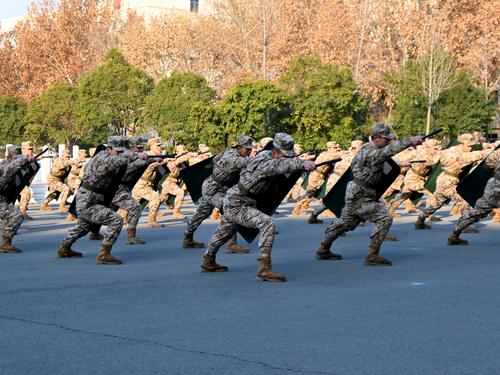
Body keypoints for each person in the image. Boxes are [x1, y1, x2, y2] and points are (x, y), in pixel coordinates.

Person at [200, 133, 316, 282]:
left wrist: (297, 161)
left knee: (223, 232)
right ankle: (264, 268)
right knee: (267, 223)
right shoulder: (266, 163)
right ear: (276, 151)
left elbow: (281, 164)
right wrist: (302, 164)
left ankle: (208, 261)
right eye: (284, 154)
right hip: (238, 202)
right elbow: (278, 166)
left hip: (234, 199)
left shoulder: (265, 154)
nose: (286, 157)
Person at [314, 123, 422, 266]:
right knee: (385, 217)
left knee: (345, 223)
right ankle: (372, 255)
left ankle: (323, 249)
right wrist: (410, 141)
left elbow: (382, 159)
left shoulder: (367, 148)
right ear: (376, 138)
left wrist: (400, 163)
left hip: (358, 191)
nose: (388, 141)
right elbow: (389, 151)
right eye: (386, 139)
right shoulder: (372, 152)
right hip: (361, 193)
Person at [56, 137, 147, 265]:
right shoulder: (102, 158)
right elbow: (121, 160)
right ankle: (104, 254)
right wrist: (137, 155)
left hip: (93, 198)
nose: (120, 154)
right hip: (88, 200)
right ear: (109, 149)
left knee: (83, 227)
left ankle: (64, 248)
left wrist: (144, 158)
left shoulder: (112, 157)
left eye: (122, 151)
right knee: (116, 220)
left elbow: (125, 163)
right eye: (118, 151)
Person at [183, 135, 254, 253]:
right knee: (232, 209)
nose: (249, 152)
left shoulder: (228, 151)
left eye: (250, 149)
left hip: (215, 186)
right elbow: (248, 162)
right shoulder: (232, 157)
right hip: (213, 189)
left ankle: (187, 238)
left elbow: (215, 160)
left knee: (201, 213)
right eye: (247, 149)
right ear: (239, 147)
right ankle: (232, 244)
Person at [414, 134, 489, 230]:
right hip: (449, 182)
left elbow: (435, 157)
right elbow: (480, 154)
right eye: (469, 146)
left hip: (442, 179)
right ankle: (465, 225)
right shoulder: (461, 156)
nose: (471, 148)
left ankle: (420, 221)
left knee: (436, 203)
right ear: (462, 144)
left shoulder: (451, 149)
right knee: (464, 201)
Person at [447, 147, 499, 245]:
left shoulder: (497, 153)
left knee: (478, 212)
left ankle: (454, 235)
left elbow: (488, 164)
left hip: (493, 187)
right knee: (479, 211)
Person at [0, 146, 36, 253]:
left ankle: (5, 241)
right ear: (10, 157)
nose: (18, 160)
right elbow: (14, 165)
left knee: (8, 216)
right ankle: (5, 244)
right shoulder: (6, 166)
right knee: (17, 215)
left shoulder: (9, 164)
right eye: (16, 158)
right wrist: (26, 159)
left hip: (3, 199)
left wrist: (31, 161)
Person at [292, 141, 342, 215]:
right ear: (329, 148)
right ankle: (296, 210)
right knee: (310, 193)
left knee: (317, 193)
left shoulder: (325, 154)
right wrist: (346, 152)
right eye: (335, 148)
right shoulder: (327, 155)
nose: (336, 149)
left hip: (318, 175)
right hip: (316, 176)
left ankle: (308, 206)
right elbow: (338, 156)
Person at [131, 138, 166, 228]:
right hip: (142, 184)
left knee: (131, 205)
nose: (159, 147)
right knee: (155, 197)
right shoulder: (148, 155)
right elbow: (149, 166)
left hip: (146, 184)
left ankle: (121, 217)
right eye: (157, 145)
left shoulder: (156, 155)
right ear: (152, 146)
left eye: (160, 145)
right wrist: (162, 162)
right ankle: (152, 220)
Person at [159, 144, 190, 219]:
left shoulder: (182, 162)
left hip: (173, 181)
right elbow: (172, 165)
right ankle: (176, 212)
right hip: (168, 181)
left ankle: (153, 209)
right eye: (182, 153)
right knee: (180, 192)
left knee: (163, 197)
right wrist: (186, 156)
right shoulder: (171, 159)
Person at [18, 141, 36, 220]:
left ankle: (22, 212)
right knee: (26, 192)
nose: (31, 151)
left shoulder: (29, 157)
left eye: (31, 149)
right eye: (29, 149)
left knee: (24, 194)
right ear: (23, 149)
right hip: (13, 182)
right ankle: (21, 213)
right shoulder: (19, 157)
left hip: (20, 182)